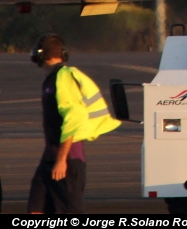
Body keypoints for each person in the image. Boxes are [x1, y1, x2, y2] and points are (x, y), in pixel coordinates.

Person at [28, 34, 120, 214]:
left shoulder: (63, 77)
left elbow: (74, 117)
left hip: (68, 159)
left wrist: (62, 160)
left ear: (39, 54)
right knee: (35, 210)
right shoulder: (52, 79)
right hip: (49, 157)